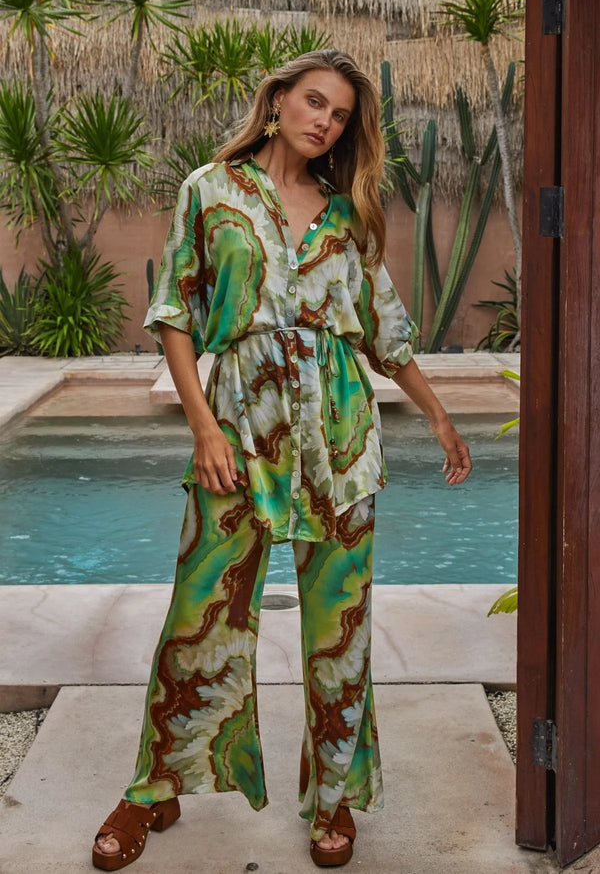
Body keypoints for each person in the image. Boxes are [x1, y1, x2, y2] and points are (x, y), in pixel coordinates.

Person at [92, 48, 472, 871]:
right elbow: (175, 313)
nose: (323, 121)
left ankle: (333, 801)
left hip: (339, 445)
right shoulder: (211, 190)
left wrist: (440, 416)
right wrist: (202, 426)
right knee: (199, 615)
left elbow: (387, 333)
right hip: (236, 437)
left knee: (339, 631)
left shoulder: (347, 217)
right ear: (277, 102)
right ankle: (152, 789)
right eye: (312, 101)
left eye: (337, 114)